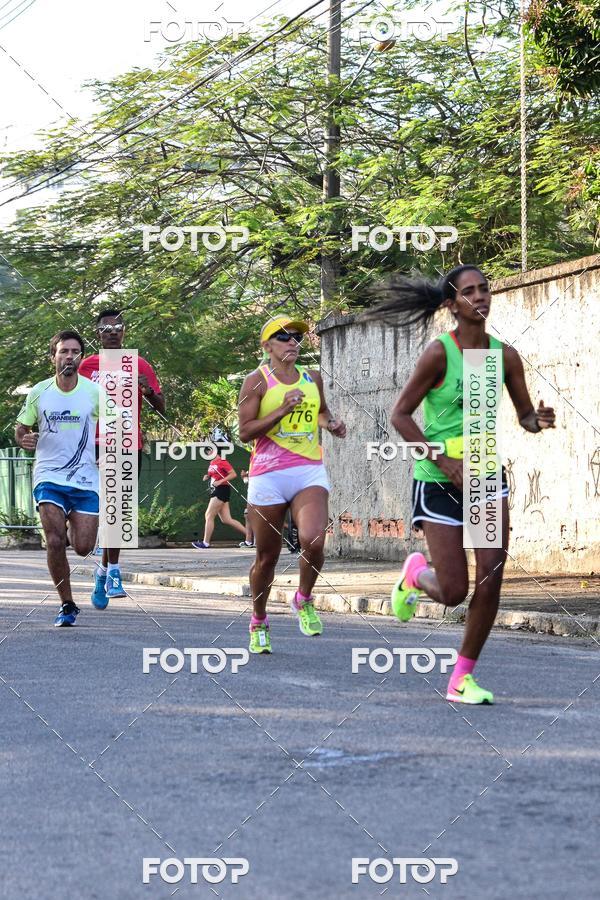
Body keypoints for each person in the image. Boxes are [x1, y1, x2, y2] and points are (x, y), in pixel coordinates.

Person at [362, 266, 555, 703]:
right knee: (453, 591)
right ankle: (415, 576)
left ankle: (460, 678)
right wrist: (443, 460)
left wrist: (537, 420)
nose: (480, 297)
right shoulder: (439, 354)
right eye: (468, 292)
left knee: (491, 576)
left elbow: (524, 415)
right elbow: (400, 415)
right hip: (438, 479)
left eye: (484, 289)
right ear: (452, 304)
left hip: (486, 477)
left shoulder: (503, 357)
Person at [238, 314, 347, 654]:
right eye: (283, 337)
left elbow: (321, 411)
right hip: (267, 474)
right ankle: (258, 620)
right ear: (267, 345)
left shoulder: (312, 378)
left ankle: (304, 598)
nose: (292, 342)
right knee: (266, 557)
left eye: (296, 337)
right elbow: (245, 432)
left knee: (313, 540)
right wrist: (281, 411)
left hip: (307, 470)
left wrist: (332, 424)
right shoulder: (255, 382)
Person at [79, 309, 165, 608]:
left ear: (125, 332)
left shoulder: (139, 364)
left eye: (118, 327)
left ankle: (110, 571)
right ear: (98, 333)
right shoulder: (86, 366)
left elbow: (161, 406)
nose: (113, 331)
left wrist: (148, 389)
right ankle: (104, 568)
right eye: (106, 328)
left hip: (128, 443)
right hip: (92, 445)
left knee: (118, 508)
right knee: (100, 511)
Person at [15, 331, 102, 627]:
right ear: (53, 356)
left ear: (80, 357)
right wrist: (25, 439)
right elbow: (21, 429)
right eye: (63, 351)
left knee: (83, 547)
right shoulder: (39, 391)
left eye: (75, 352)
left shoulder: (93, 392)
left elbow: (116, 424)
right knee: (54, 541)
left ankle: (71, 528)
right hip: (49, 475)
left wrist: (109, 448)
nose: (69, 356)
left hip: (85, 479)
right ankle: (67, 604)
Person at [192, 453, 247, 548]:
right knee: (226, 519)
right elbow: (213, 474)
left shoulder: (222, 461)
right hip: (217, 490)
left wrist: (220, 481)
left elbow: (233, 474)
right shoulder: (212, 462)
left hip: (222, 489)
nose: (207, 453)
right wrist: (208, 476)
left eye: (210, 451)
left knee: (208, 515)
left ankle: (205, 543)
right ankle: (252, 537)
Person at [239, 469, 254, 548]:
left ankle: (293, 530)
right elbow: (246, 482)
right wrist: (244, 477)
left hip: (261, 496)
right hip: (252, 495)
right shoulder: (251, 468)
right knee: (247, 514)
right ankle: (248, 541)